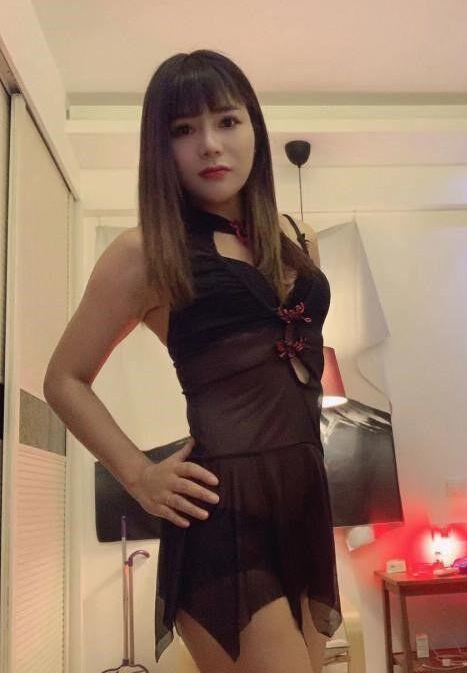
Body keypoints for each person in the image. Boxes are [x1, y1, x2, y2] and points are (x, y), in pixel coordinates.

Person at [43, 49, 342, 673]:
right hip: (219, 513)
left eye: (227, 121)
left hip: (303, 502)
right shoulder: (147, 253)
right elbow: (65, 379)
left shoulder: (299, 238)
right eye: (184, 129)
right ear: (162, 149)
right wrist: (138, 475)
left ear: (254, 127)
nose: (209, 144)